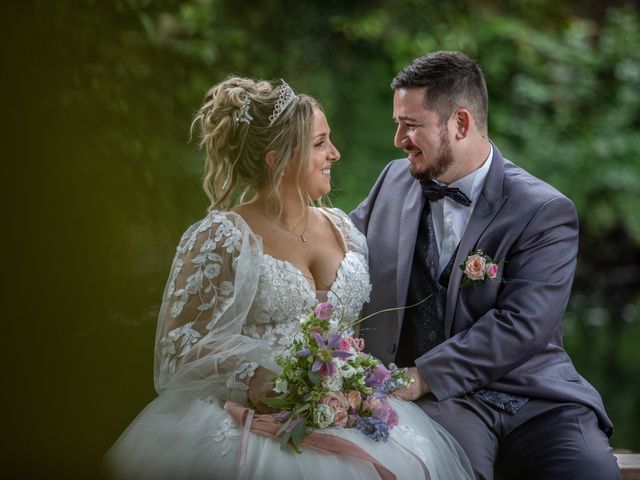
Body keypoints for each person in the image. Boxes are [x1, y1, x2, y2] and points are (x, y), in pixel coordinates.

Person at [106, 77, 474, 479]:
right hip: (243, 421)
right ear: (275, 156)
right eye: (319, 143)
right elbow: (179, 348)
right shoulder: (222, 236)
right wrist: (252, 377)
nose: (334, 153)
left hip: (347, 412)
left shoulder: (345, 230)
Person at [351, 51, 620, 480]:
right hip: (445, 405)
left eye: (412, 125)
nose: (399, 139)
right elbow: (341, 253)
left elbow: (523, 323)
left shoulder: (544, 209)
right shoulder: (392, 181)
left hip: (537, 397)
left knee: (590, 472)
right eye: (398, 123)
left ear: (460, 123)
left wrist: (423, 375)